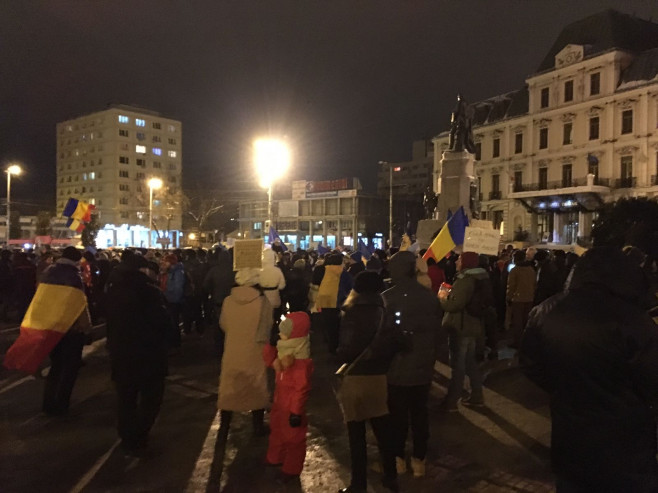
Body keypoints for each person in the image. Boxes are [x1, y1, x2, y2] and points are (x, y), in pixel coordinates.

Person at [520, 247, 658, 492]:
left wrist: (565, 386)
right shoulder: (635, 322)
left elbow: (531, 364)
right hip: (625, 448)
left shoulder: (545, 311)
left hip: (570, 442)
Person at [337, 271, 399, 493]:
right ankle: (391, 477)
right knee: (383, 432)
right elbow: (394, 343)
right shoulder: (385, 311)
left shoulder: (350, 312)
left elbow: (345, 350)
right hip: (379, 377)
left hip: (356, 378)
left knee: (356, 436)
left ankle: (359, 484)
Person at [384, 251, 443, 478]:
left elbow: (384, 337)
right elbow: (437, 332)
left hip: (396, 370)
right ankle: (419, 459)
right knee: (420, 414)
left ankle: (398, 458)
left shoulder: (388, 297)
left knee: (396, 416)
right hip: (422, 369)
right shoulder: (429, 297)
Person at [106, 253, 172, 455]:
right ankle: (140, 433)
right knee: (150, 398)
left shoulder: (114, 291)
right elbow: (163, 322)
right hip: (149, 354)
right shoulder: (150, 293)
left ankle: (127, 435)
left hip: (121, 353)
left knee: (126, 398)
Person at [217, 268, 272, 436]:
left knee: (229, 384)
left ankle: (225, 425)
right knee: (256, 384)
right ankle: (257, 425)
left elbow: (223, 324)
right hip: (255, 349)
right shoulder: (263, 302)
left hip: (233, 348)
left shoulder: (227, 300)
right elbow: (267, 327)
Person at [262, 312, 313, 481]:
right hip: (280, 402)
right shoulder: (284, 352)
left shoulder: (300, 362)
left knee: (294, 438)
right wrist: (270, 345)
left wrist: (296, 412)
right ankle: (275, 457)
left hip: (291, 407)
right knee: (276, 429)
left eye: (283, 333)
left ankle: (292, 469)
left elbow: (301, 389)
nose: (279, 335)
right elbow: (270, 361)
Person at [41, 247, 92, 415]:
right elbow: (79, 303)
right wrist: (86, 326)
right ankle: (62, 404)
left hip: (51, 324)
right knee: (70, 367)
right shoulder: (74, 276)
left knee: (56, 365)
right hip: (71, 327)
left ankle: (48, 403)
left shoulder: (48, 272)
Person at [438, 251, 490, 410]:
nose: (456, 262)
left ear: (466, 262)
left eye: (460, 259)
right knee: (470, 363)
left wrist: (442, 299)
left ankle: (451, 401)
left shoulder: (465, 280)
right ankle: (476, 396)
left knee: (458, 366)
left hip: (460, 326)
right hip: (473, 325)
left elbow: (455, 305)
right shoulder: (482, 277)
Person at [315, 253, 353, 354]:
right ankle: (337, 347)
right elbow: (350, 287)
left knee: (328, 324)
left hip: (324, 301)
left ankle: (330, 346)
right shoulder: (343, 273)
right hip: (338, 302)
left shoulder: (322, 270)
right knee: (338, 325)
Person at [506, 250, 536, 348]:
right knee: (526, 321)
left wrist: (509, 297)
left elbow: (511, 286)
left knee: (517, 322)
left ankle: (518, 342)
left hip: (517, 299)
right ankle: (526, 341)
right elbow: (534, 284)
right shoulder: (531, 269)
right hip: (529, 298)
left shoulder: (515, 270)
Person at [160, 253, 185, 351]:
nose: (163, 263)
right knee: (170, 322)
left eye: (166, 261)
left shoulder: (178, 272)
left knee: (174, 322)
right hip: (167, 299)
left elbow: (178, 288)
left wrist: (172, 298)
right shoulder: (168, 272)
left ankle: (175, 343)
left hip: (173, 300)